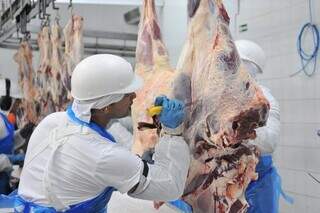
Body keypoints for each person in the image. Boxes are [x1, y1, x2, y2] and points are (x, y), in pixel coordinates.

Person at [3, 54, 191, 212]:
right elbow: (170, 187)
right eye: (127, 94)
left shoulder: (52, 121)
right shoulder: (103, 155)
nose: (134, 97)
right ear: (106, 106)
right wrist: (172, 132)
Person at [235, 40, 289, 213]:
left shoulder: (264, 98)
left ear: (251, 67)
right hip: (220, 182)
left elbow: (270, 142)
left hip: (255, 184)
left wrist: (245, 129)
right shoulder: (217, 97)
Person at [0, 78, 34, 194]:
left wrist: (21, 133)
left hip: (3, 176)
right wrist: (10, 159)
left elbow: (6, 142)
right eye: (16, 102)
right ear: (6, 101)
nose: (18, 106)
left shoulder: (3, 120)